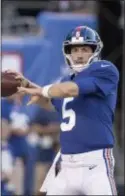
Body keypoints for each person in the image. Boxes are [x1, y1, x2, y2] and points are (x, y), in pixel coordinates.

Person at [7, 26, 119, 195]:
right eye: (75, 50)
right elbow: (56, 103)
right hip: (66, 163)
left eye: (85, 49)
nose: (79, 55)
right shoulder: (66, 79)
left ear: (95, 51)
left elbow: (70, 90)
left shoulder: (104, 69)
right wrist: (28, 85)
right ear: (68, 52)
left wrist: (42, 90)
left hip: (95, 163)